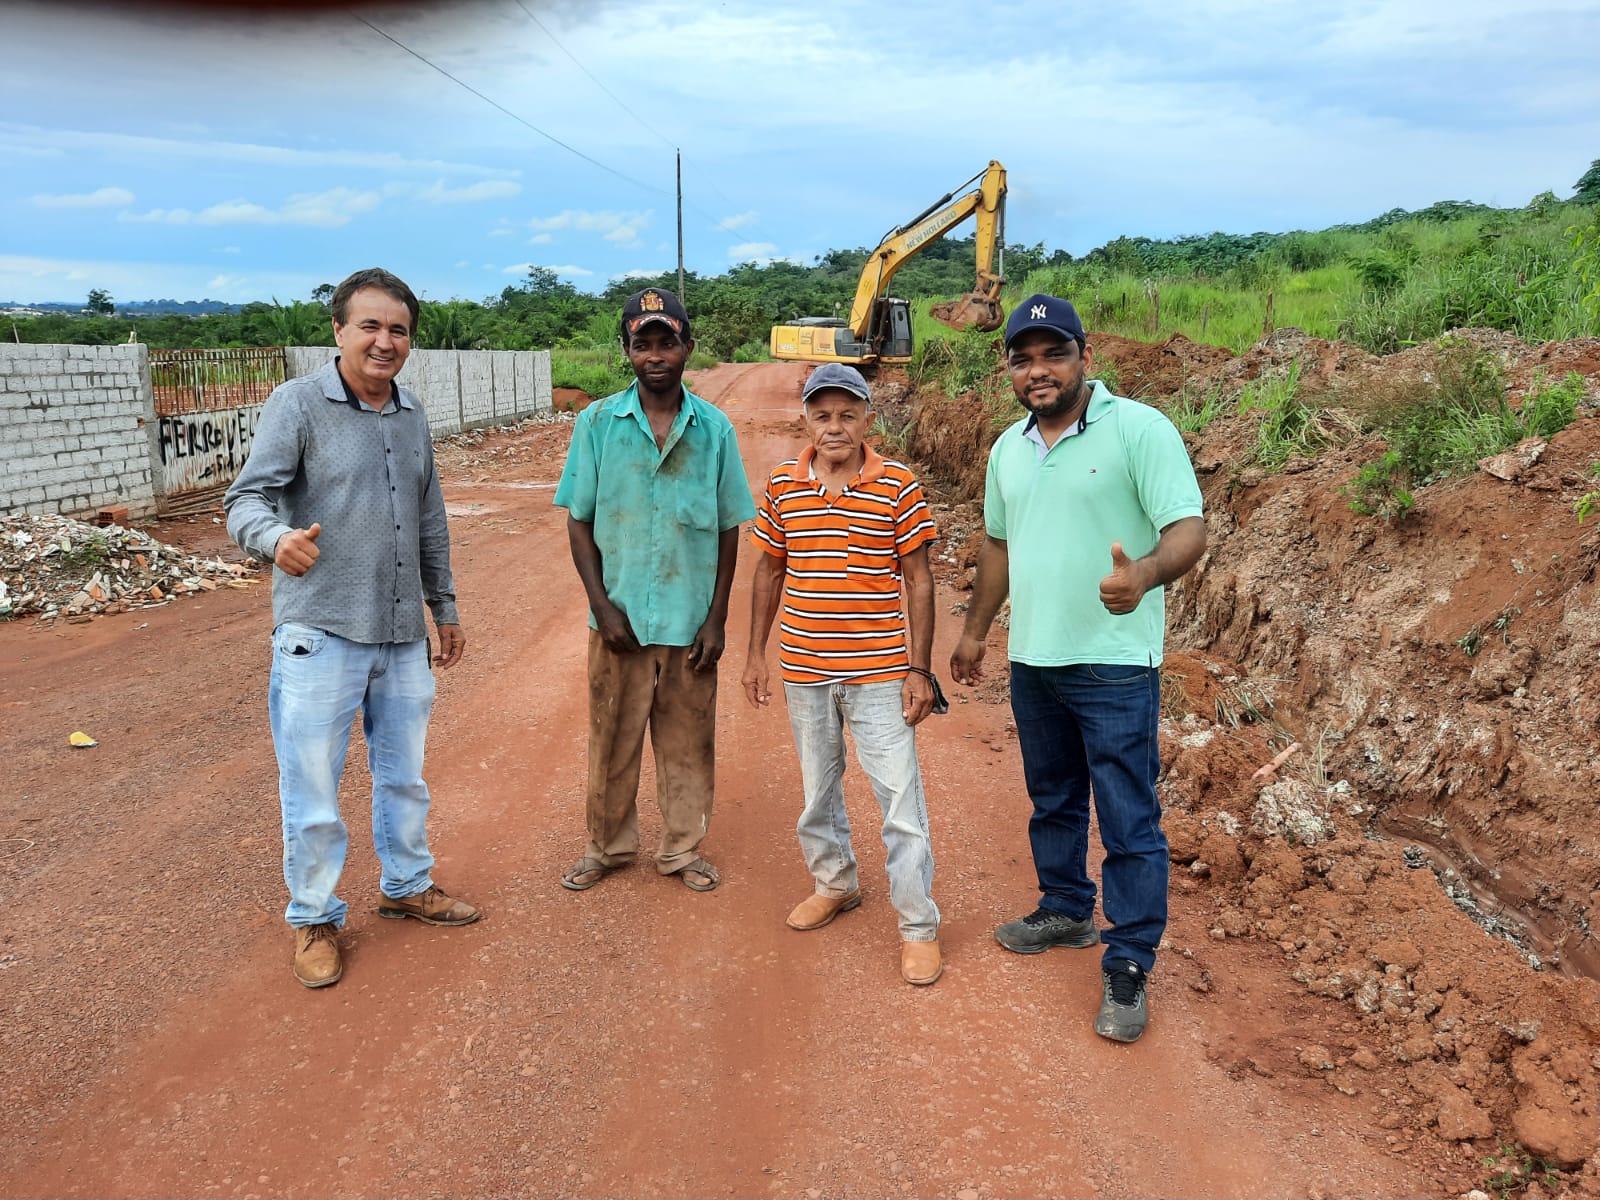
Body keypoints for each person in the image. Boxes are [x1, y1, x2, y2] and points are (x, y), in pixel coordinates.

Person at [950, 293, 1206, 1041]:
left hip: (1116, 662)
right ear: (1008, 369)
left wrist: (1147, 574)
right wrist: (975, 633)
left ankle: (1128, 961)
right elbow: (998, 545)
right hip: (1035, 658)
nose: (1039, 371)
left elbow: (1186, 527)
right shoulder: (1007, 448)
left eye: (1053, 354)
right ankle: (1065, 909)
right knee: (1053, 795)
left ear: (1084, 356)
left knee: (1129, 817)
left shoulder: (1139, 429)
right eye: (1022, 359)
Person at [224, 266, 480, 991]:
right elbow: (246, 497)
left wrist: (445, 607)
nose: (384, 340)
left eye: (398, 329)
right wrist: (274, 540)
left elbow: (429, 518)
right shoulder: (297, 404)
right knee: (312, 786)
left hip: (400, 634)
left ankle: (406, 886)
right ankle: (314, 917)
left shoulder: (410, 415)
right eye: (369, 325)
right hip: (321, 630)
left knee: (405, 778)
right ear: (338, 330)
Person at [742, 363, 944, 986]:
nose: (835, 427)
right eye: (822, 415)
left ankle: (918, 926)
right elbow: (770, 571)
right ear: (805, 420)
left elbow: (918, 579)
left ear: (867, 421)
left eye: (847, 415)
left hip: (880, 672)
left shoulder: (897, 486)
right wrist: (756, 654)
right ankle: (835, 884)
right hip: (805, 670)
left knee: (900, 802)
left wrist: (919, 669)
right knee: (816, 791)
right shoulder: (782, 485)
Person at [553, 287, 755, 894]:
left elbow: (727, 528)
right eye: (644, 343)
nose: (656, 355)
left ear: (688, 348)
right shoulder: (597, 424)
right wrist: (601, 606)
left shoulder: (715, 429)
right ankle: (607, 847)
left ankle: (682, 849)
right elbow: (579, 521)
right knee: (610, 736)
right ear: (627, 351)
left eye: (668, 341)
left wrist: (717, 618)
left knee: (689, 739)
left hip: (690, 621)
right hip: (618, 622)